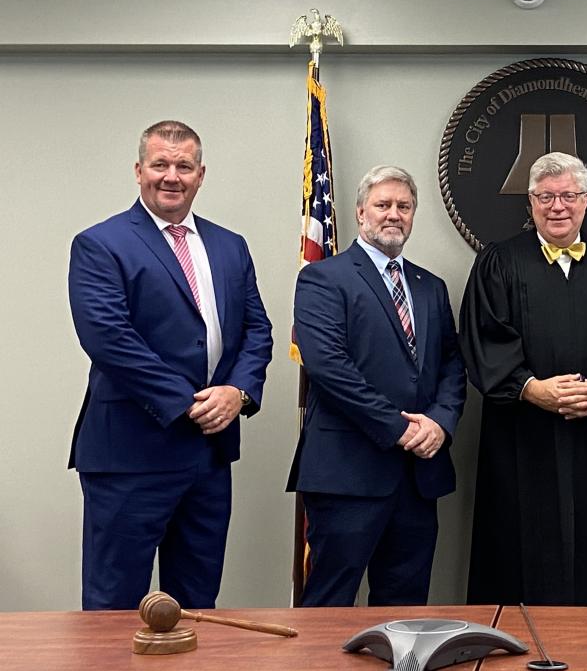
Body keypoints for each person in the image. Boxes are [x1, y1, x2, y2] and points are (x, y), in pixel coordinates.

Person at [68, 120, 273, 610]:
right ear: (139, 171)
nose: (171, 176)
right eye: (160, 164)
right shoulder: (100, 244)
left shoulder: (230, 245)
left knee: (198, 607)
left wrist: (237, 394)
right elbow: (110, 340)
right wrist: (189, 403)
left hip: (208, 455)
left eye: (183, 166)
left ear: (201, 174)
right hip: (130, 457)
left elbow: (258, 331)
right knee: (114, 608)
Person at [460, 151, 587, 606]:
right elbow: (482, 338)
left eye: (568, 195)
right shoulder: (498, 263)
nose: (557, 206)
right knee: (519, 545)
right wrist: (531, 388)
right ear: (530, 203)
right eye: (546, 196)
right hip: (521, 436)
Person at [288, 166, 465, 606]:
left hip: (418, 476)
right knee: (330, 602)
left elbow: (451, 365)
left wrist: (439, 425)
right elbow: (329, 368)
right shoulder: (324, 278)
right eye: (383, 205)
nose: (393, 215)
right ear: (361, 212)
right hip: (347, 473)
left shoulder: (430, 287)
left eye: (403, 206)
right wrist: (399, 427)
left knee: (404, 606)